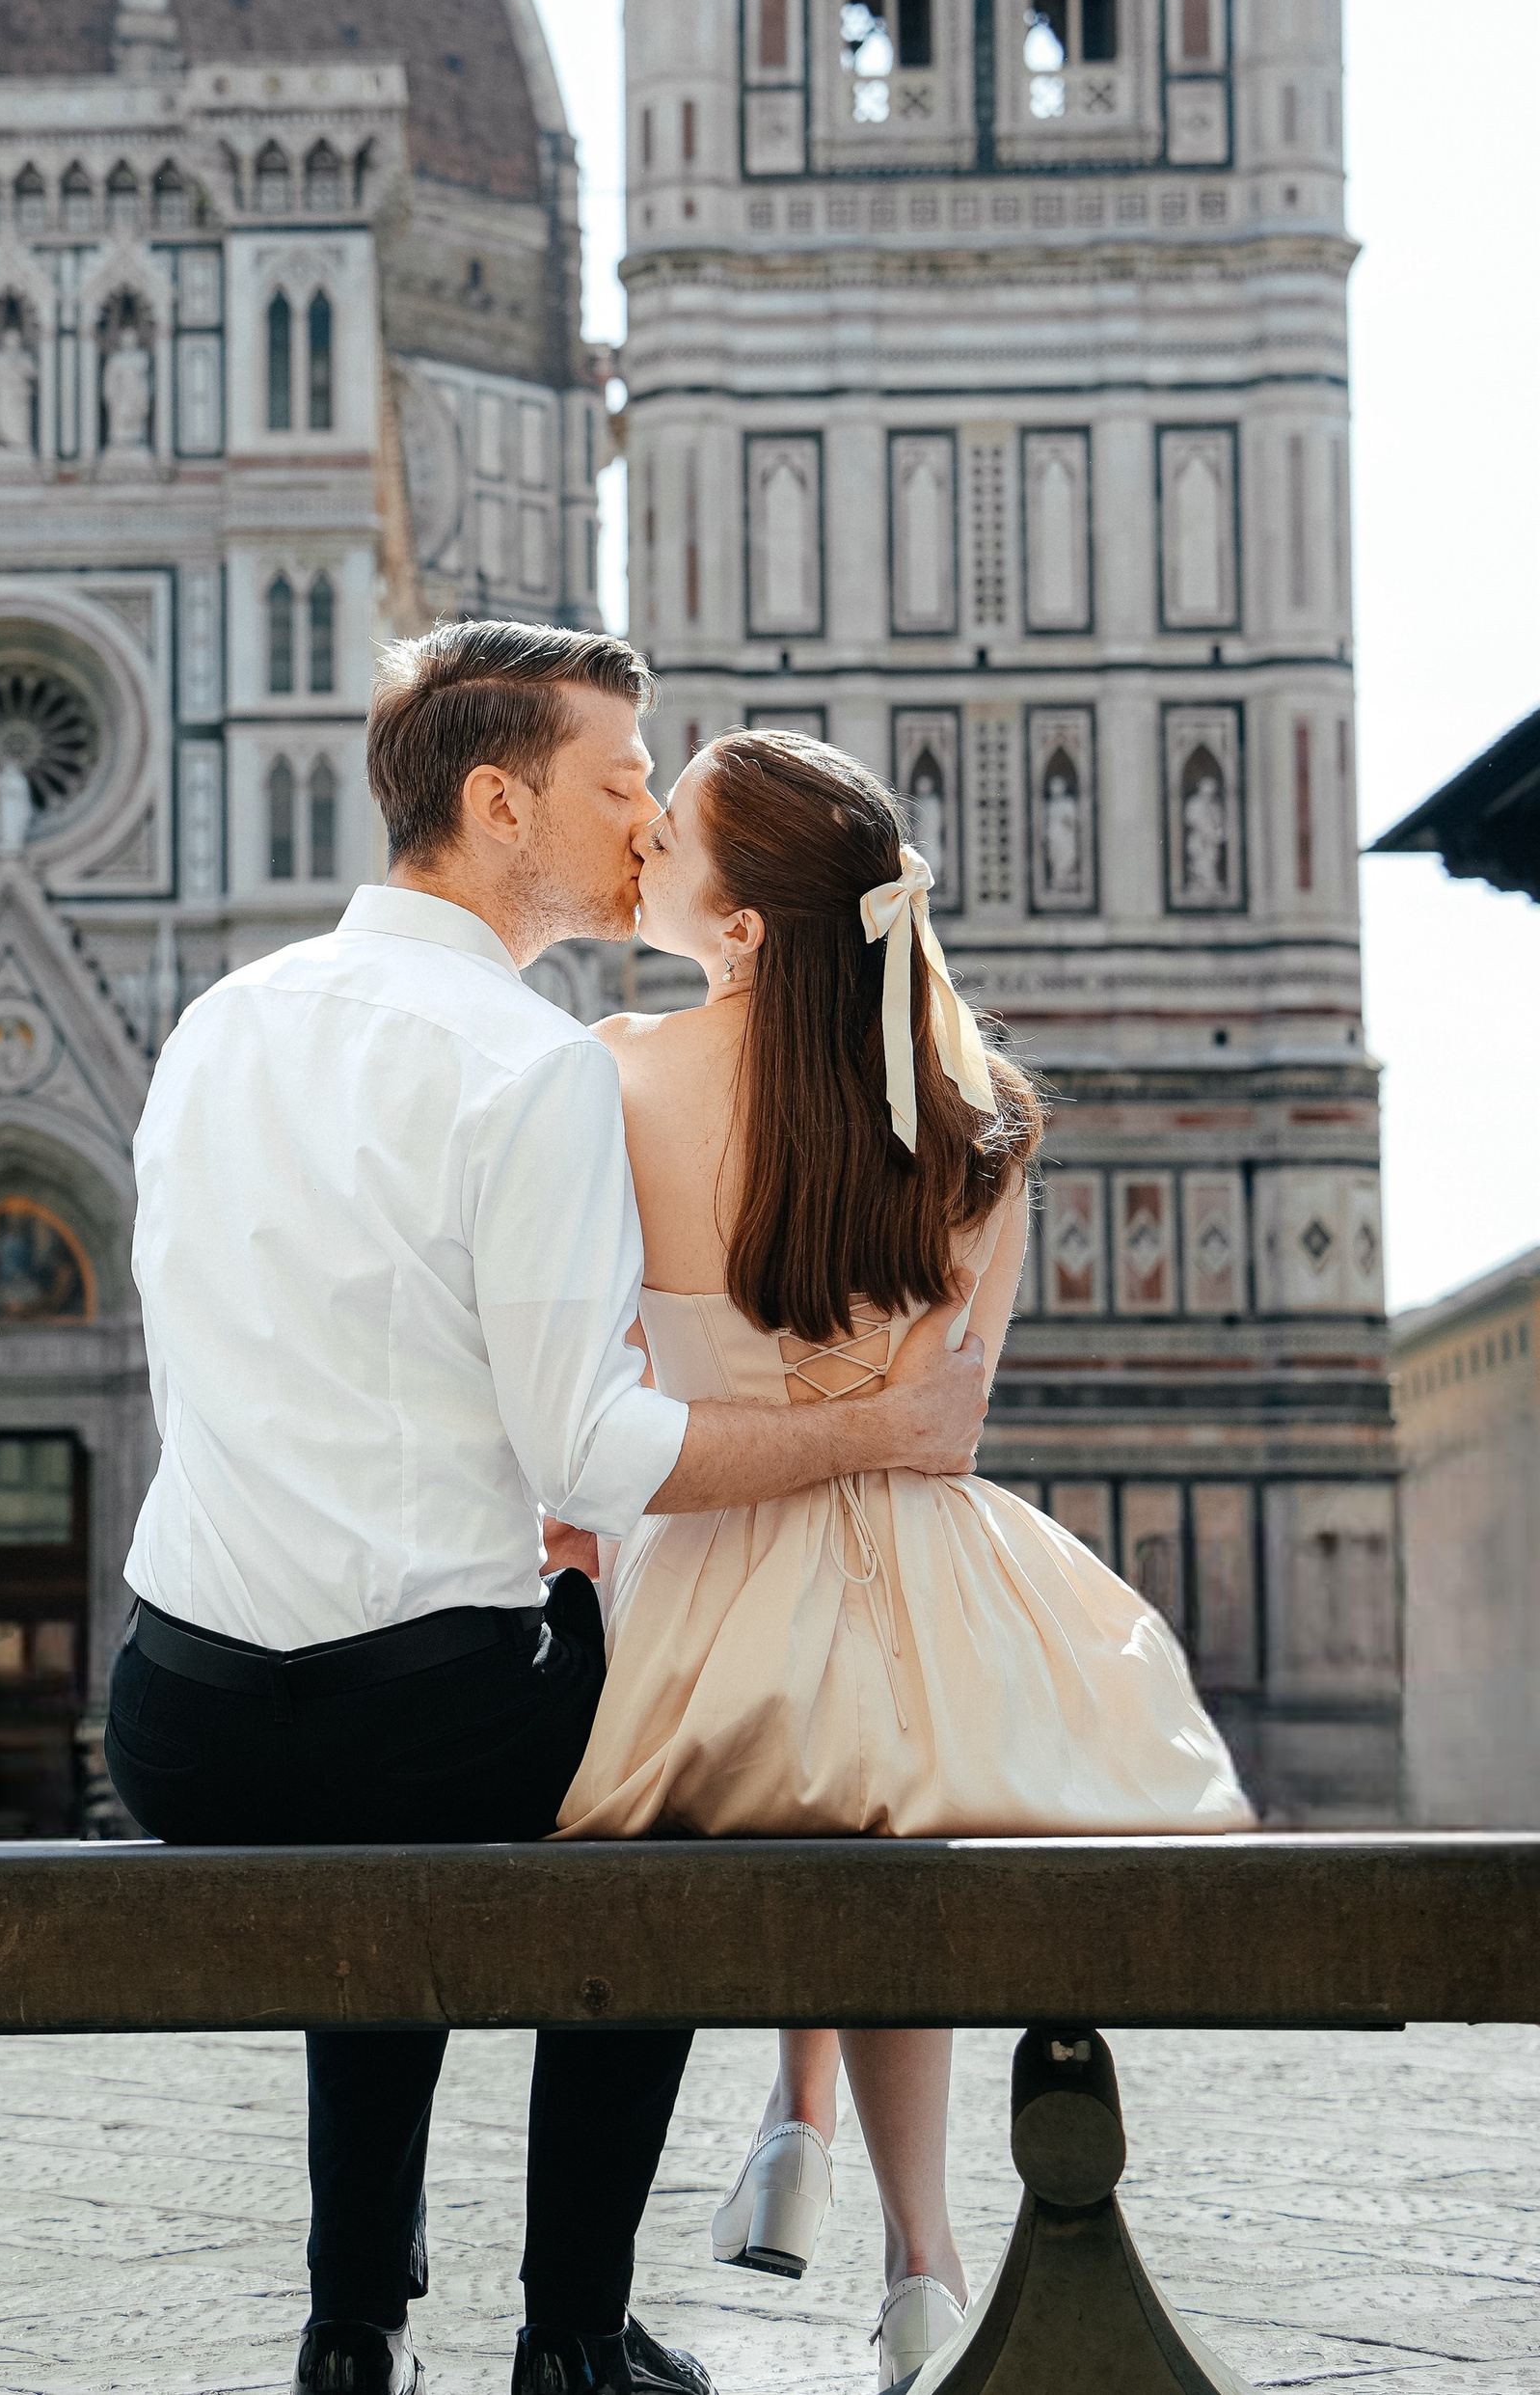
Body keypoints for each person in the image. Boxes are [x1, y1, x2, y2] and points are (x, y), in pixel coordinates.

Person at [107, 621, 999, 2395]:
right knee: (662, 1781)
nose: (647, 824)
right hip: (418, 1732)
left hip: (177, 1725)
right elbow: (590, 1451)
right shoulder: (530, 1064)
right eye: (617, 783)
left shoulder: (219, 1021)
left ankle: (354, 2322)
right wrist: (876, 1428)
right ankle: (574, 2334)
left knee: (383, 1750)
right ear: (500, 803)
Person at [557, 727, 1251, 2395]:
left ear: (741, 928)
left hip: (711, 1570)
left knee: (813, 1762)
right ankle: (917, 2262)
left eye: (675, 833)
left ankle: (799, 2121)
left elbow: (607, 1382)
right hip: (934, 1576)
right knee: (879, 1796)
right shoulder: (980, 1118)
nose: (644, 840)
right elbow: (946, 1427)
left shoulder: (617, 1074)